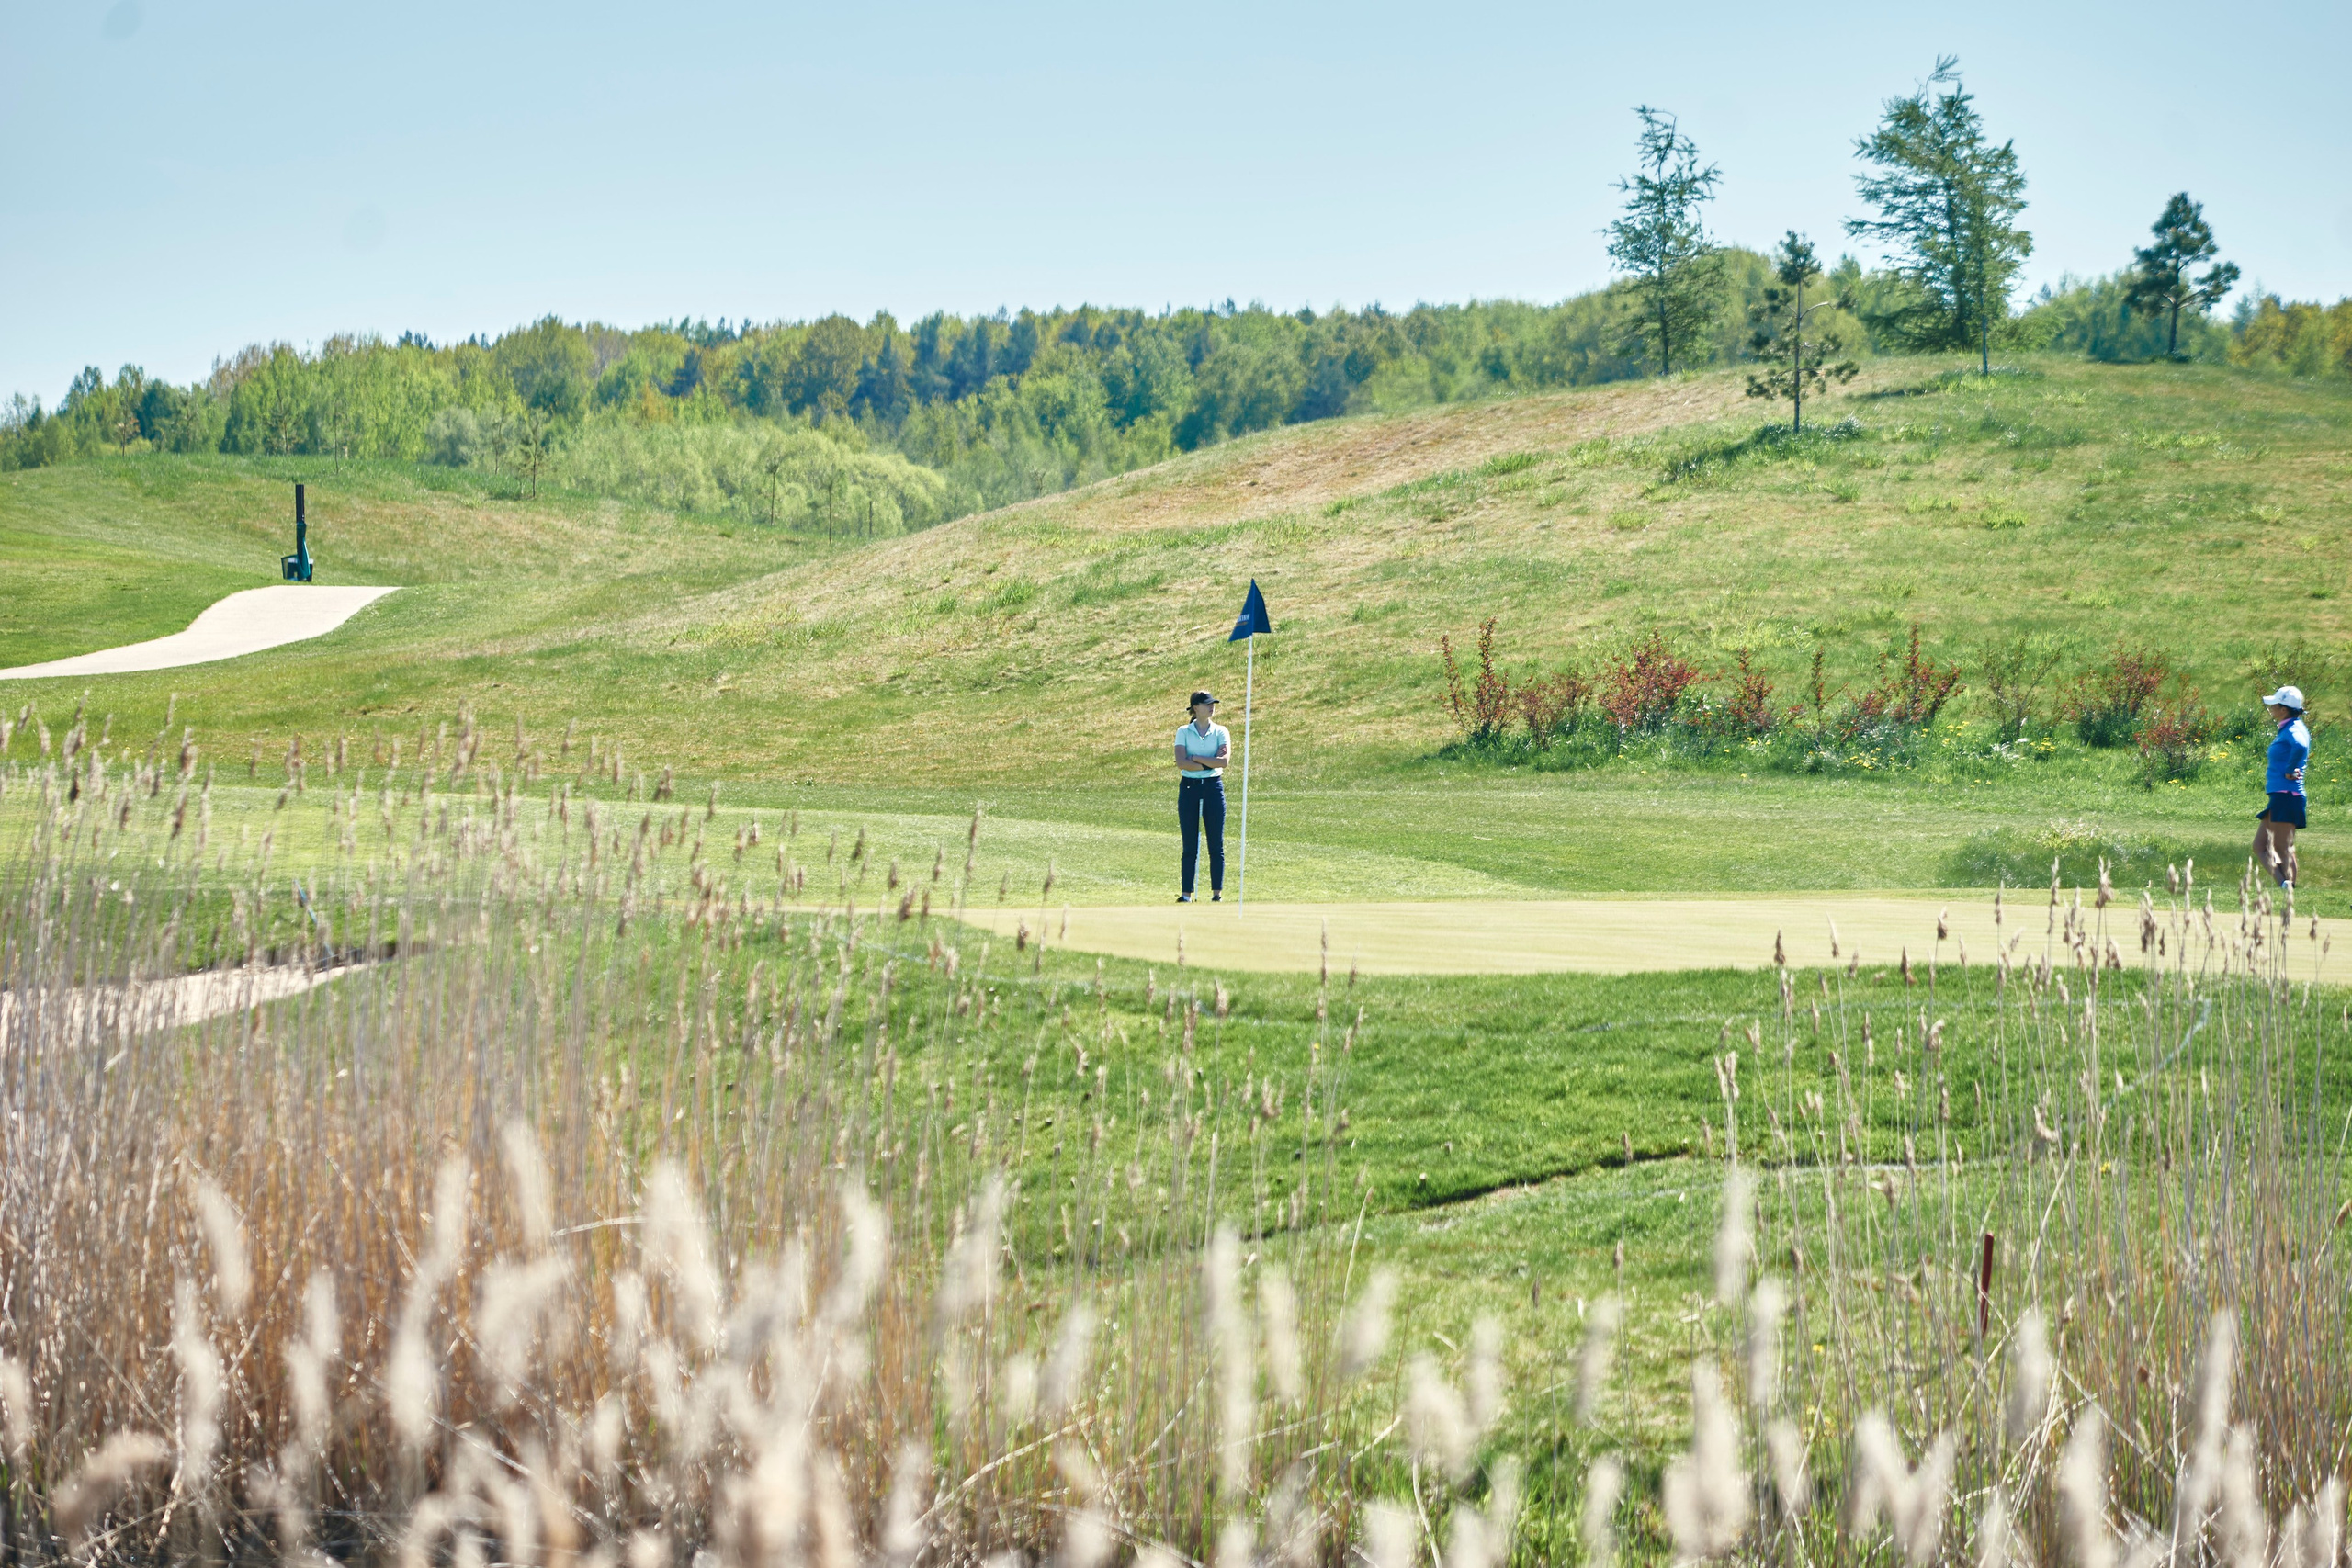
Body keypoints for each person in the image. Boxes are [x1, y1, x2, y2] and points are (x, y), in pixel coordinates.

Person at [1173, 690, 1231, 903]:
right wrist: (1209, 761)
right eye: (1207, 704)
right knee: (1190, 845)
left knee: (1216, 844)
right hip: (1189, 788)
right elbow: (1181, 763)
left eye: (1212, 703)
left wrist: (1196, 757)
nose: (1211, 706)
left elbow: (1223, 761)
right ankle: (1186, 894)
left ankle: (1217, 894)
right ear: (1195, 707)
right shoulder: (1183, 732)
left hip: (1213, 788)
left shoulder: (1221, 731)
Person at [2254, 684, 2310, 889]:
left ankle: (2290, 889)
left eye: (2274, 706)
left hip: (2288, 795)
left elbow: (2300, 746)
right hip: (2280, 795)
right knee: (2260, 846)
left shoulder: (2294, 729)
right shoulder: (2288, 728)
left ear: (2284, 709)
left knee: (2283, 847)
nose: (2271, 709)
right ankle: (2284, 884)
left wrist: (2290, 769)